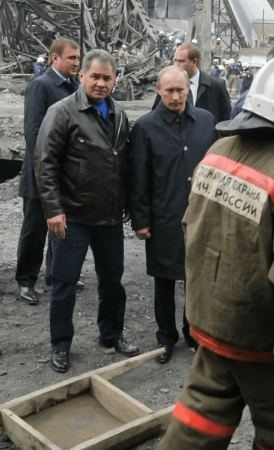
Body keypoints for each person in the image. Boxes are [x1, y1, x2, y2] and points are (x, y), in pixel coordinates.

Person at [156, 57, 274, 450]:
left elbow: (191, 227)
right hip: (262, 336)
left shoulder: (219, 150)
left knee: (202, 415)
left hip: (211, 318)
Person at [34, 49, 139, 374]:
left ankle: (112, 334)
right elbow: (45, 162)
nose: (101, 83)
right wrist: (53, 209)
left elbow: (122, 164)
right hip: (72, 218)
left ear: (115, 79)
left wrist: (126, 204)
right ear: (82, 76)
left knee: (113, 282)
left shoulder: (119, 114)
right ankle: (61, 345)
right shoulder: (62, 112)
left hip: (109, 218)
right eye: (95, 76)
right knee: (64, 284)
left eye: (107, 78)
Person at [129, 66, 219, 362]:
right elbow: (138, 178)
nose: (176, 96)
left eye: (181, 90)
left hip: (200, 217)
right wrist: (141, 220)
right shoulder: (145, 128)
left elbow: (217, 169)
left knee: (196, 278)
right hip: (163, 218)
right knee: (164, 280)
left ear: (188, 89)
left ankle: (193, 333)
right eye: (169, 91)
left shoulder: (206, 122)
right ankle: (165, 338)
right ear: (159, 90)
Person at [16, 38, 81, 306]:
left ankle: (56, 275)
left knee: (62, 226)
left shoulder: (74, 87)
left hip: (66, 172)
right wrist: (43, 171)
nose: (76, 63)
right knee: (35, 230)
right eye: (71, 58)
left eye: (78, 58)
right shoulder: (40, 86)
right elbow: (33, 133)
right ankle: (25, 281)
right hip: (40, 173)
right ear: (55, 58)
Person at [152, 43, 231, 122]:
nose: (176, 65)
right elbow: (156, 115)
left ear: (194, 62)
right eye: (175, 61)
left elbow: (227, 120)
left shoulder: (216, 86)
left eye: (181, 61)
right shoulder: (168, 84)